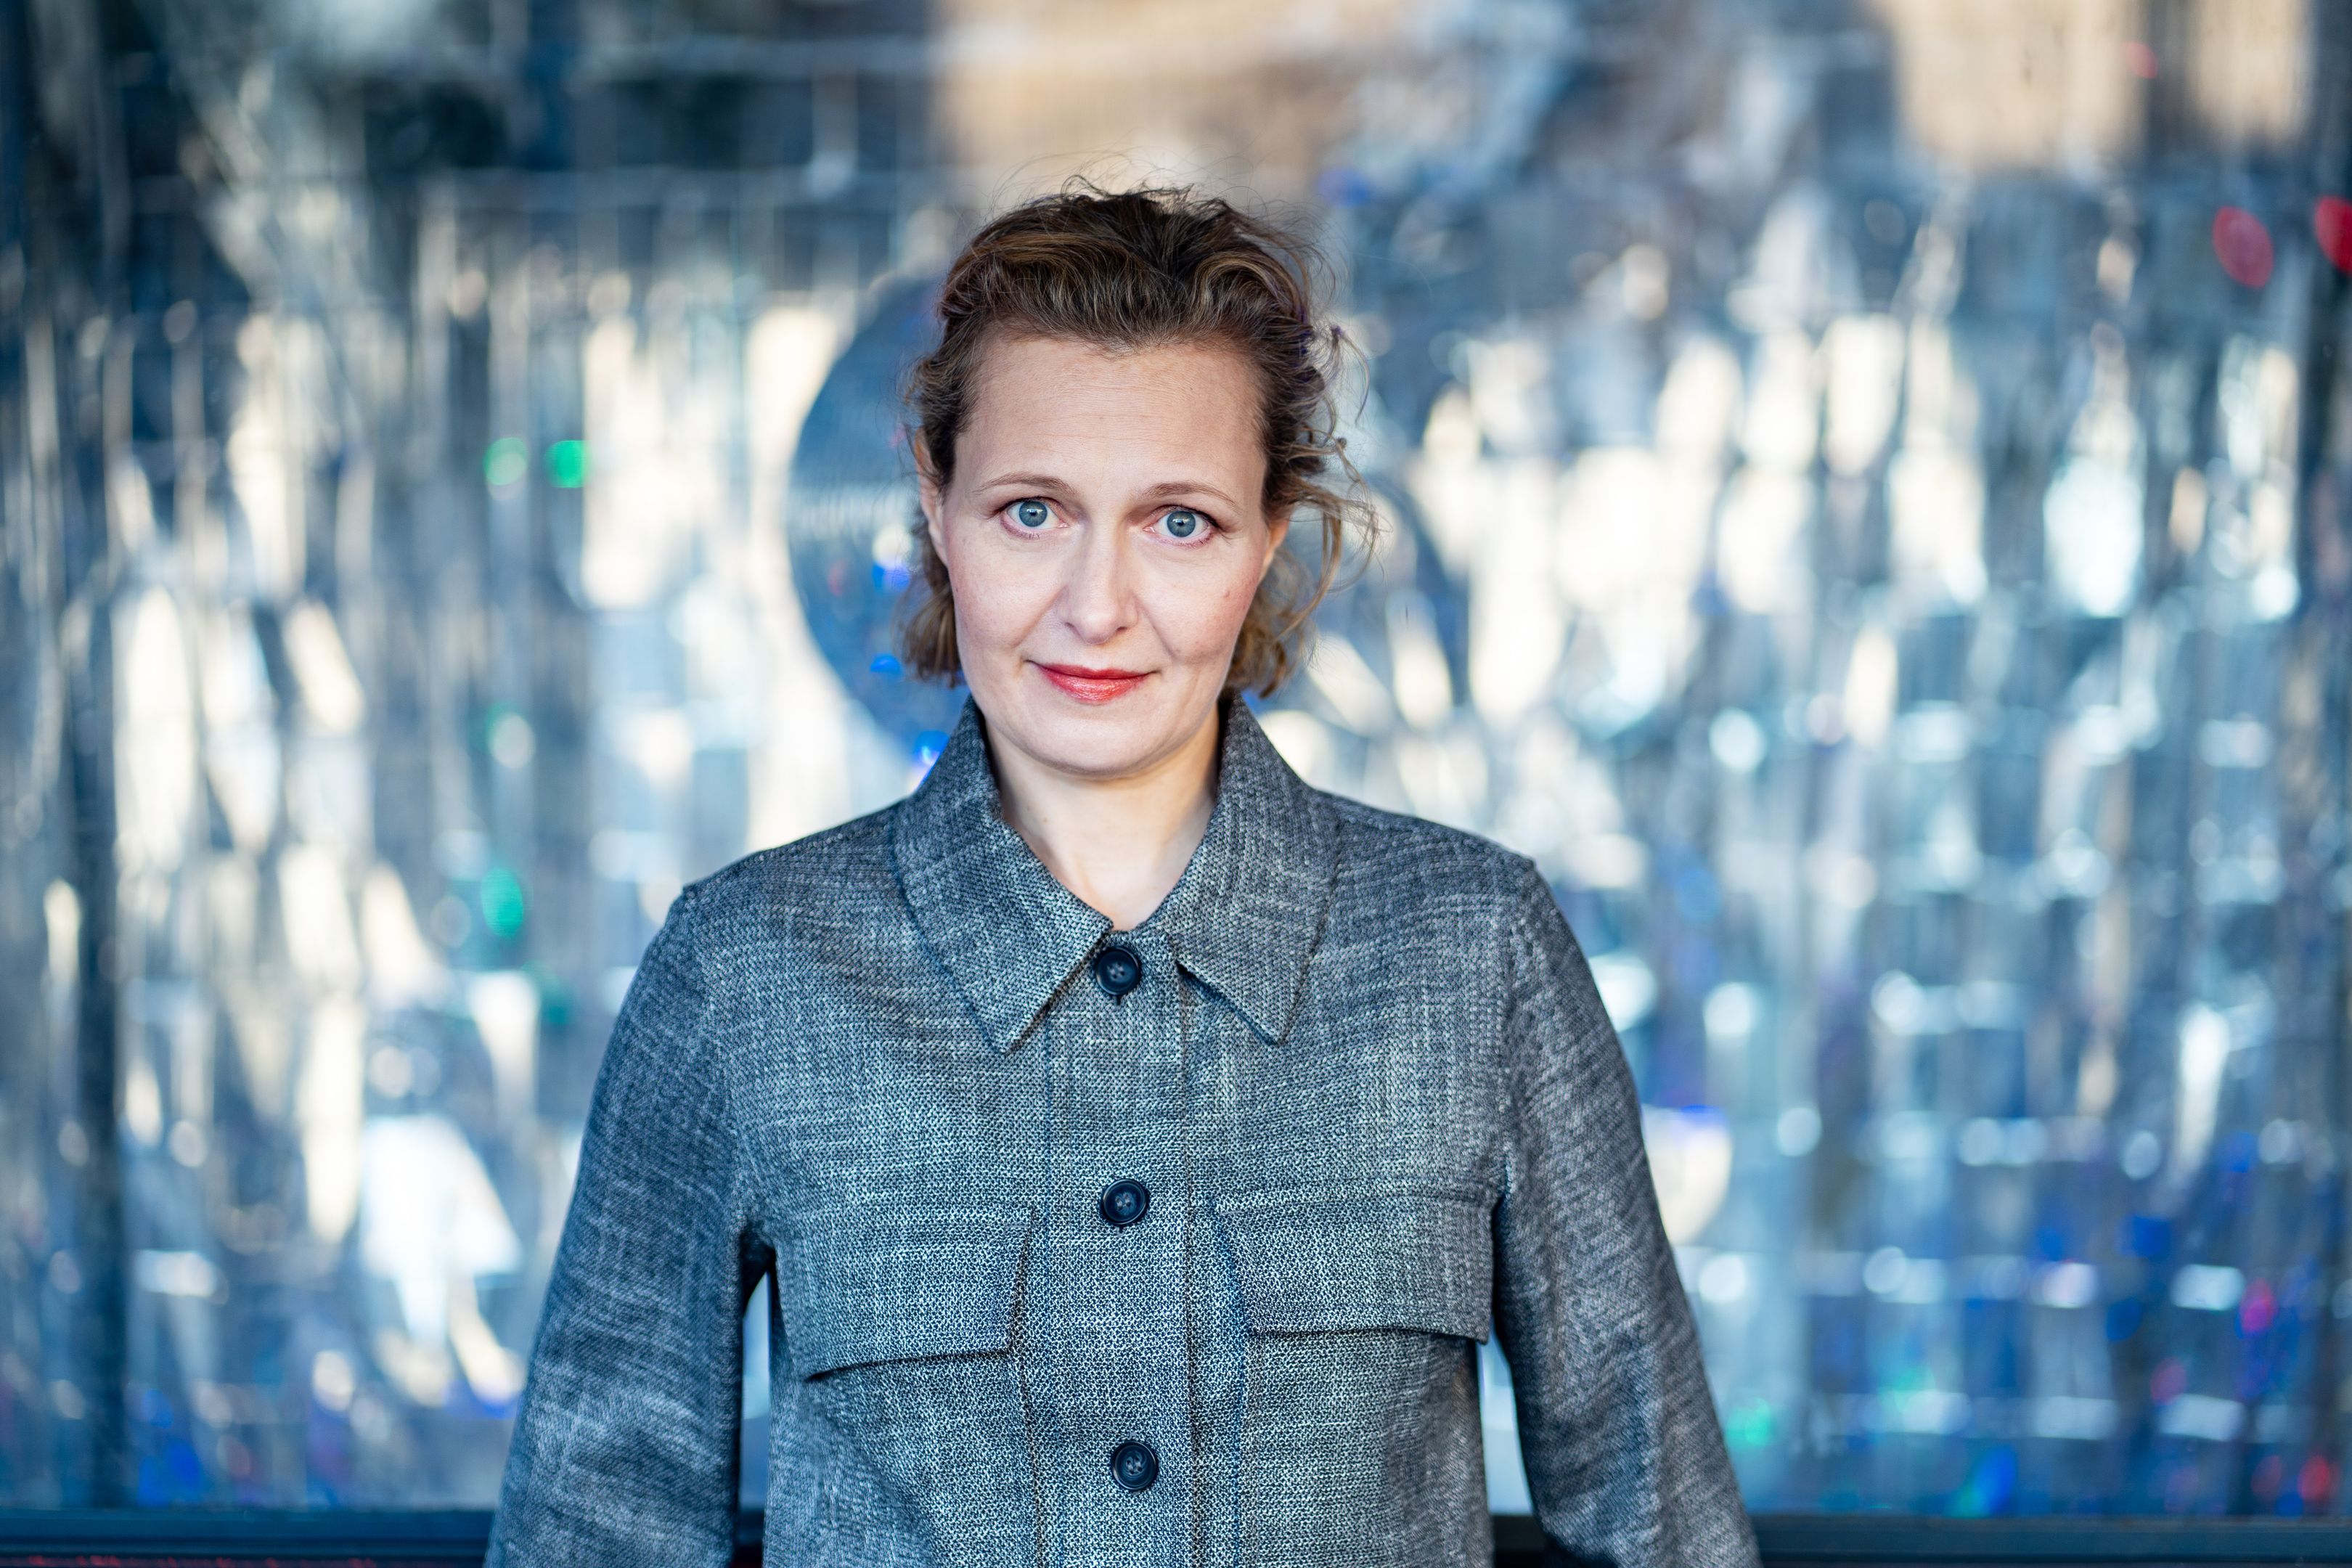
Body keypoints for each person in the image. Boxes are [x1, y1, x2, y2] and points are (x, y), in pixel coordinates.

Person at [486, 184, 1759, 1568]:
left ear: (1270, 531)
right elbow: (592, 1531)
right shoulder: (745, 972)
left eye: (1181, 523)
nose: (1097, 607)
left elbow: (1664, 1525)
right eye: (1033, 511)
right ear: (936, 502)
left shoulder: (1477, 951)